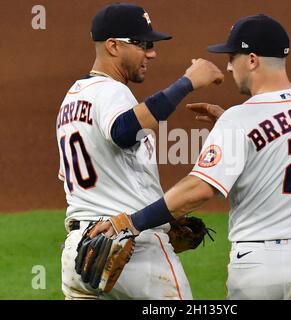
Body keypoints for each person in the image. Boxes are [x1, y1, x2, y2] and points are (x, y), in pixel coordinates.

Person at [92, 14, 291, 300]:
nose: (229, 65)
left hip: (257, 267)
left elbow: (200, 188)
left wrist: (131, 222)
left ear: (252, 60)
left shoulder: (239, 120)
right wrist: (235, 131)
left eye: (233, 57)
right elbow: (284, 140)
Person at [56, 3, 223, 300]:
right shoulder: (111, 92)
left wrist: (168, 219)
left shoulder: (71, 99)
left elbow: (107, 175)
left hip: (79, 253)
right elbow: (124, 132)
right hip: (132, 251)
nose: (152, 53)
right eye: (142, 44)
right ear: (113, 46)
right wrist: (189, 82)